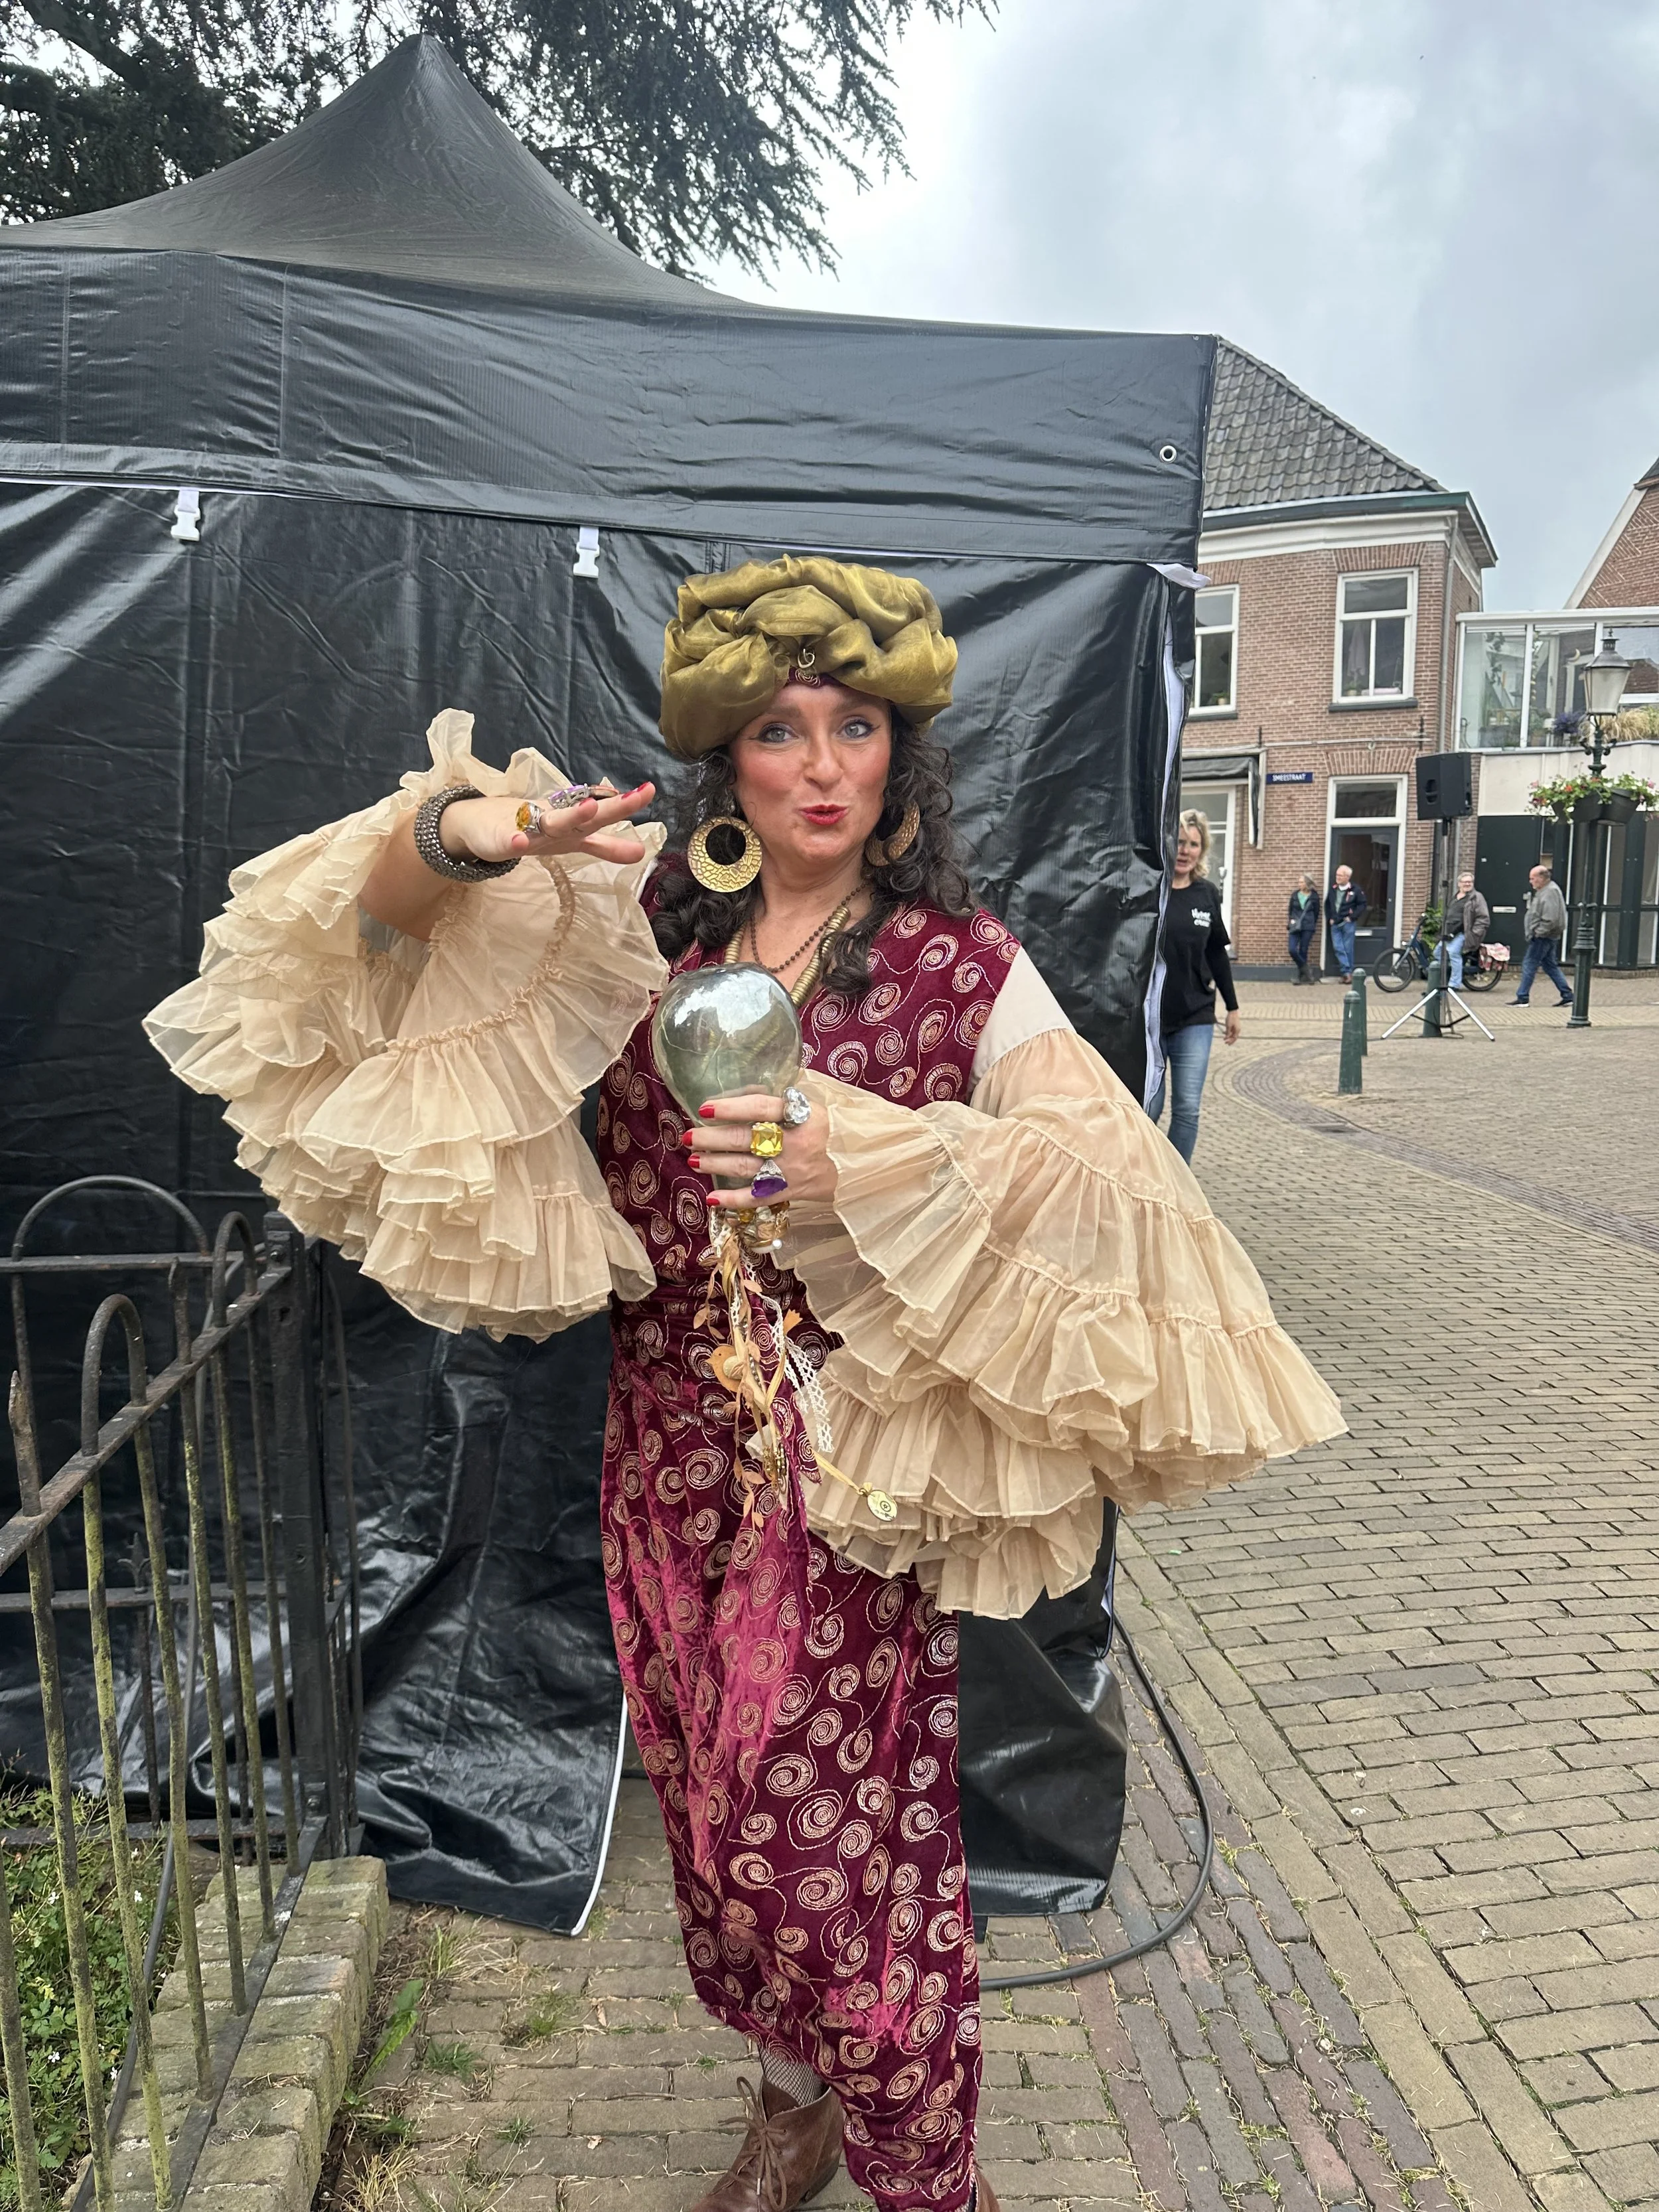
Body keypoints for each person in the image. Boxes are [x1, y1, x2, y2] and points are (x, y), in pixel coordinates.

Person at [146, 555, 1341, 2212]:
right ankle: (792, 2110)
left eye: (858, 724)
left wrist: (857, 1154)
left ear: (899, 752)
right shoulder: (630, 932)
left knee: (834, 1845)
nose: (825, 763)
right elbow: (349, 966)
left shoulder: (962, 968)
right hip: (664, 1451)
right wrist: (464, 840)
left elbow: (1108, 1187)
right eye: (783, 731)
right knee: (716, 1820)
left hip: (849, 1476)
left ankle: (930, 2176)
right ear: (733, 763)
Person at [1151, 810, 1240, 1163]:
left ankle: (1177, 1185)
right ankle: (1145, 1176)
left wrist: (1232, 1008)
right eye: (1180, 842)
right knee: (1148, 1107)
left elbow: (1217, 953)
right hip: (1151, 1019)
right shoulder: (1151, 890)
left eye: (1194, 844)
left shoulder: (1207, 894)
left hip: (1196, 1018)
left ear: (1202, 850)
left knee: (1187, 1108)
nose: (1185, 850)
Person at [1512, 861, 1573, 1007]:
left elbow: (1550, 918)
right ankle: (1568, 995)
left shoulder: (1550, 892)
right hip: (1547, 936)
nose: (1531, 882)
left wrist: (1538, 933)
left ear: (1540, 878)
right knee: (1550, 965)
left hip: (1543, 937)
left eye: (1533, 878)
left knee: (1529, 964)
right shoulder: (1546, 891)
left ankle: (1523, 997)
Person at [1443, 869, 1490, 990]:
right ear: (1459, 884)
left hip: (1465, 933)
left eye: (1470, 882)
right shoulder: (1455, 897)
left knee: (1453, 952)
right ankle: (1451, 973)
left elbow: (1484, 918)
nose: (1467, 884)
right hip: (1451, 932)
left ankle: (1454, 985)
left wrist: (1475, 933)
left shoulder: (1477, 898)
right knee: (1438, 952)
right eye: (1464, 882)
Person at [1324, 864, 1368, 982]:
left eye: (1340, 875)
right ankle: (1347, 973)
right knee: (1338, 947)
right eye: (1337, 875)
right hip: (1335, 924)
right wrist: (1330, 918)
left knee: (1348, 948)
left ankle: (1347, 974)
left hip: (1348, 923)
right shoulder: (1333, 889)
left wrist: (1352, 917)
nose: (1337, 877)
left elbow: (1362, 905)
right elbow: (1327, 904)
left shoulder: (1355, 890)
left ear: (1347, 877)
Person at [1287, 873, 1321, 982]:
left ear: (1308, 884)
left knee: (1303, 950)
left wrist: (1311, 923)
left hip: (1308, 926)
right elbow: (1290, 910)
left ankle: (1300, 977)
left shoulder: (1314, 897)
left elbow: (1316, 912)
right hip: (1295, 925)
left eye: (1302, 882)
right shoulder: (1295, 895)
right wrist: (1292, 920)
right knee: (1292, 949)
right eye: (1299, 882)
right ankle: (1307, 970)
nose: (1299, 884)